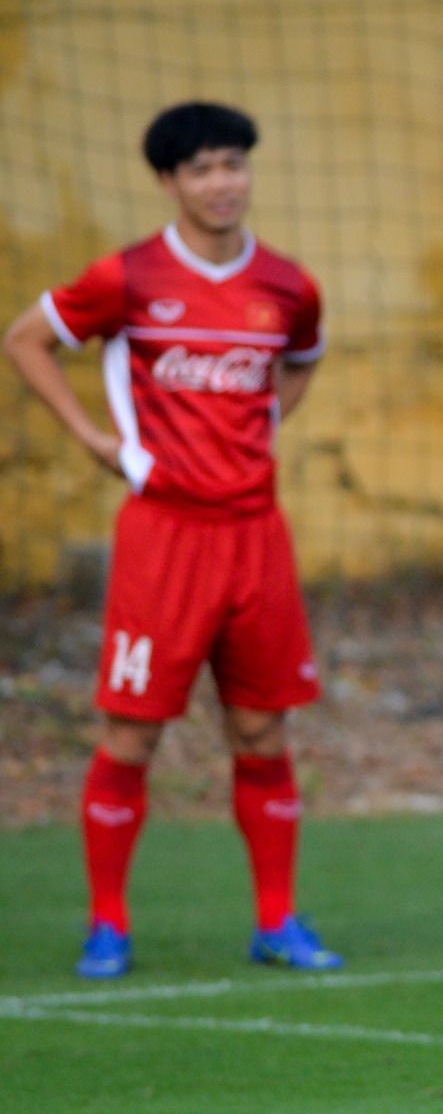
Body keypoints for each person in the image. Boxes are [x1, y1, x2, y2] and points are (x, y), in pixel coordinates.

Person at [2, 102, 340, 977]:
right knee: (130, 736)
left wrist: (265, 423)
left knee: (262, 732)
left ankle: (278, 922)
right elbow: (27, 339)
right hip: (164, 536)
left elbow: (303, 356)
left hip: (257, 535)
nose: (221, 182)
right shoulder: (128, 276)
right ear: (168, 181)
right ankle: (107, 924)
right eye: (201, 169)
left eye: (233, 164)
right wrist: (94, 440)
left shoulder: (289, 285)